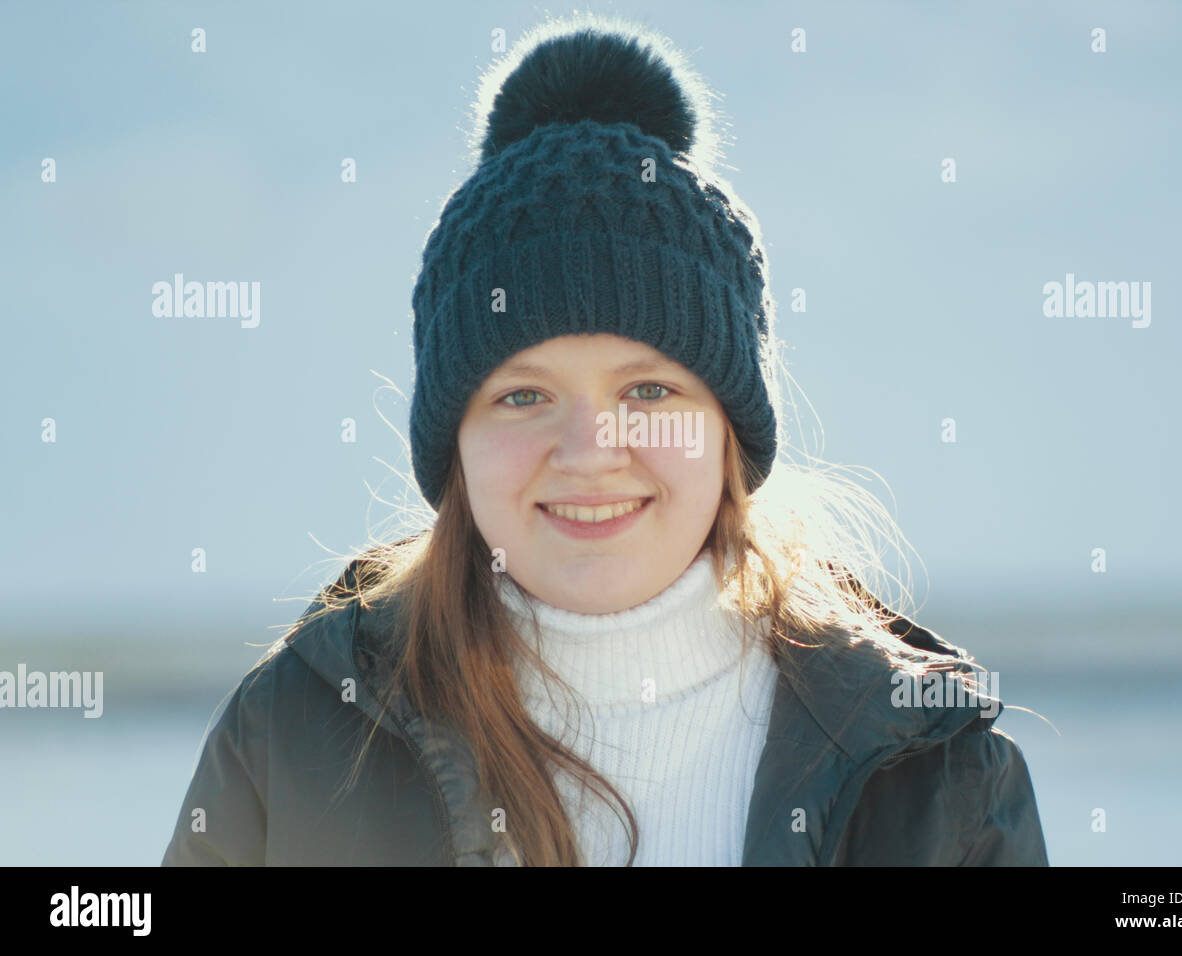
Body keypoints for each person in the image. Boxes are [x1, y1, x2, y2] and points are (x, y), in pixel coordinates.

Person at [162, 13, 1049, 867]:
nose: (590, 449)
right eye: (522, 396)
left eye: (649, 389)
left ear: (729, 428)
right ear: (453, 445)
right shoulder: (295, 736)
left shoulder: (932, 772)